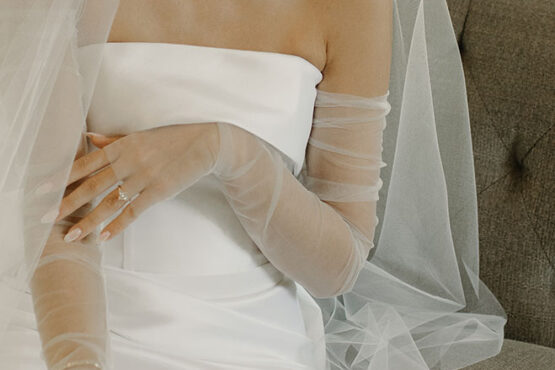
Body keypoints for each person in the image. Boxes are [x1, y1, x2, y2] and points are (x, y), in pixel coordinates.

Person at [0, 1, 506, 369]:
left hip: (244, 334)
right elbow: (54, 211)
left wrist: (228, 152)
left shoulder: (355, 7)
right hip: (56, 318)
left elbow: (337, 268)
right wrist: (77, 362)